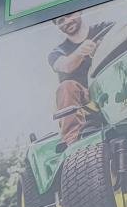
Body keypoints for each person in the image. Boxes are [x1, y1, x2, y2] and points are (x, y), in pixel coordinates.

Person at [48, 11, 112, 144]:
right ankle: (74, 142)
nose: (66, 21)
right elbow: (65, 66)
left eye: (69, 15)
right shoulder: (57, 52)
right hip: (89, 104)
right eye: (60, 21)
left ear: (80, 11)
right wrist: (80, 52)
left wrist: (103, 47)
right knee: (67, 86)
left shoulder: (106, 28)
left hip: (112, 87)